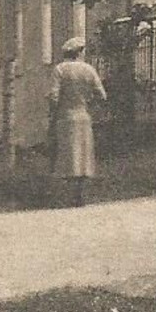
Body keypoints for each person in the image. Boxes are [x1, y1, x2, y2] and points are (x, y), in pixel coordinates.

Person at [48, 36, 107, 206]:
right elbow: (102, 96)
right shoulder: (88, 70)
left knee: (67, 156)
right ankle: (80, 194)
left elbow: (54, 96)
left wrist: (52, 112)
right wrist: (88, 103)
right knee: (83, 156)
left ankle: (68, 196)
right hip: (83, 117)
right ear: (80, 52)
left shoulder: (60, 70)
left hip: (65, 117)